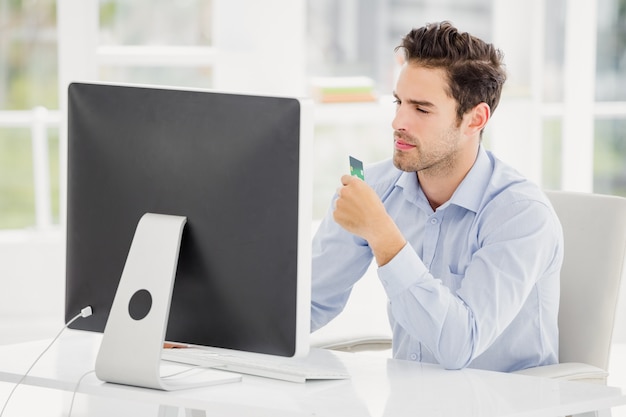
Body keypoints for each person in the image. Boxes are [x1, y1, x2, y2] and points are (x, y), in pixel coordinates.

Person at [310, 21, 563, 372]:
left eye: (421, 109)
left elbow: (460, 345)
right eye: (399, 102)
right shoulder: (376, 186)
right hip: (408, 403)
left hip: (504, 405)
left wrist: (383, 235)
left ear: (475, 119)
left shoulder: (520, 215)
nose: (398, 121)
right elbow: (308, 301)